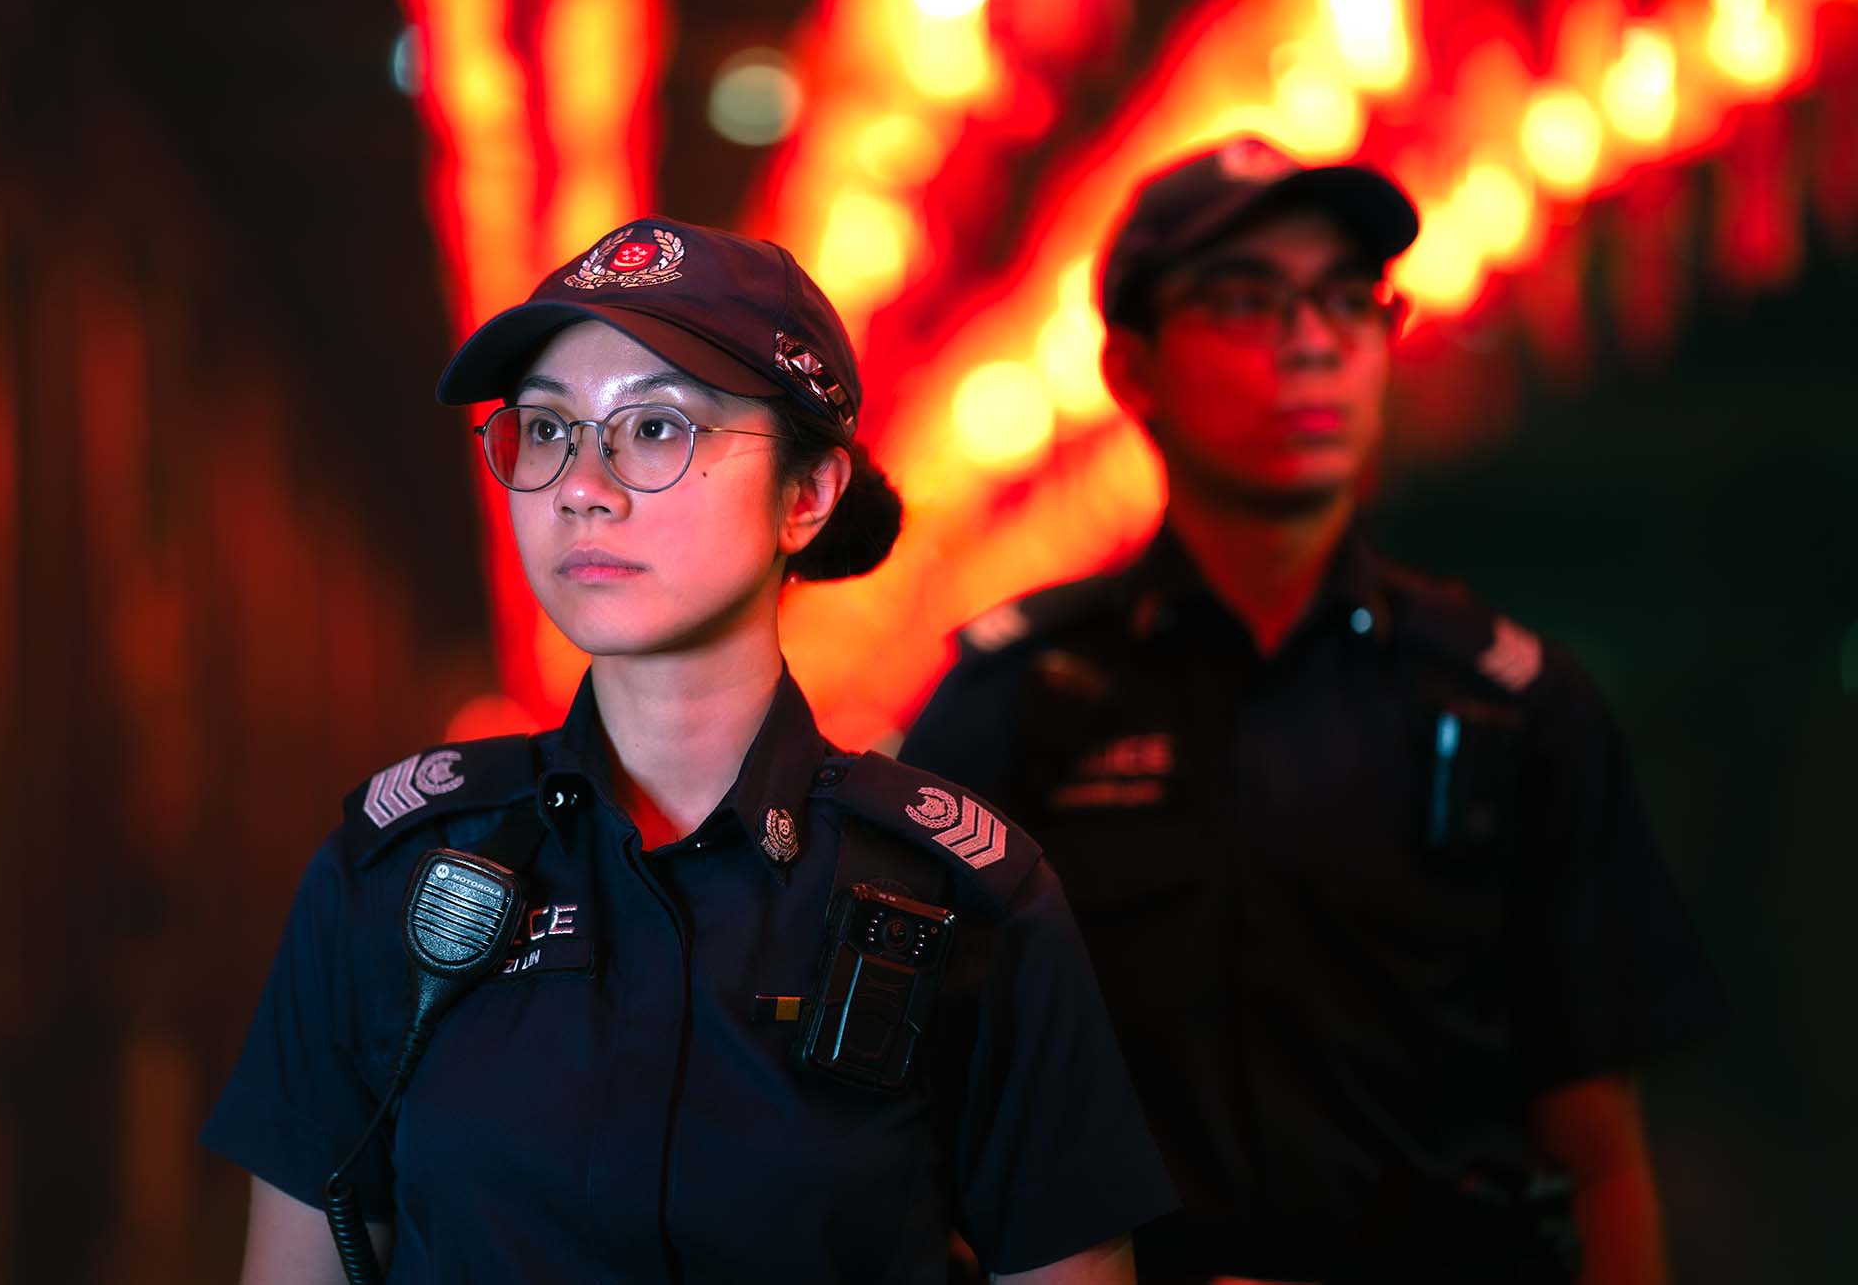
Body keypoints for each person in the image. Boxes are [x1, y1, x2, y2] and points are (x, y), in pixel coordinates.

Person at [200, 216, 1178, 1284]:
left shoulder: (961, 894)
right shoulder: (393, 875)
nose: (581, 483)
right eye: (544, 427)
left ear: (805, 497)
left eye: (657, 429)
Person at [899, 139, 1725, 1285]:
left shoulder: (1504, 702)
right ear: (1129, 366)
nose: (1311, 340)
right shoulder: (1016, 700)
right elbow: (909, 1139)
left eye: (1347, 300)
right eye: (1245, 301)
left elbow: (1597, 1153)